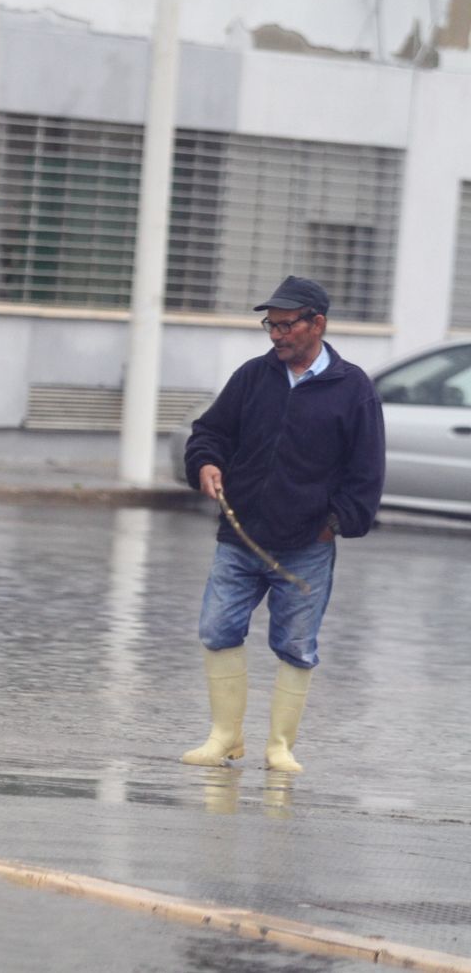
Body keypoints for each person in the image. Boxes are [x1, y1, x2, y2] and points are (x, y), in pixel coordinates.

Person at [181, 275, 384, 772]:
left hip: (307, 545)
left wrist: (333, 523)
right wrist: (205, 462)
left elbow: (366, 471)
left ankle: (279, 746)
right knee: (217, 629)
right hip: (239, 537)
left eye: (286, 325)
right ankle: (224, 737)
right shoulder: (253, 376)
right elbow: (210, 432)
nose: (276, 335)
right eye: (270, 325)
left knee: (295, 645)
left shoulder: (353, 388)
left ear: (318, 324)